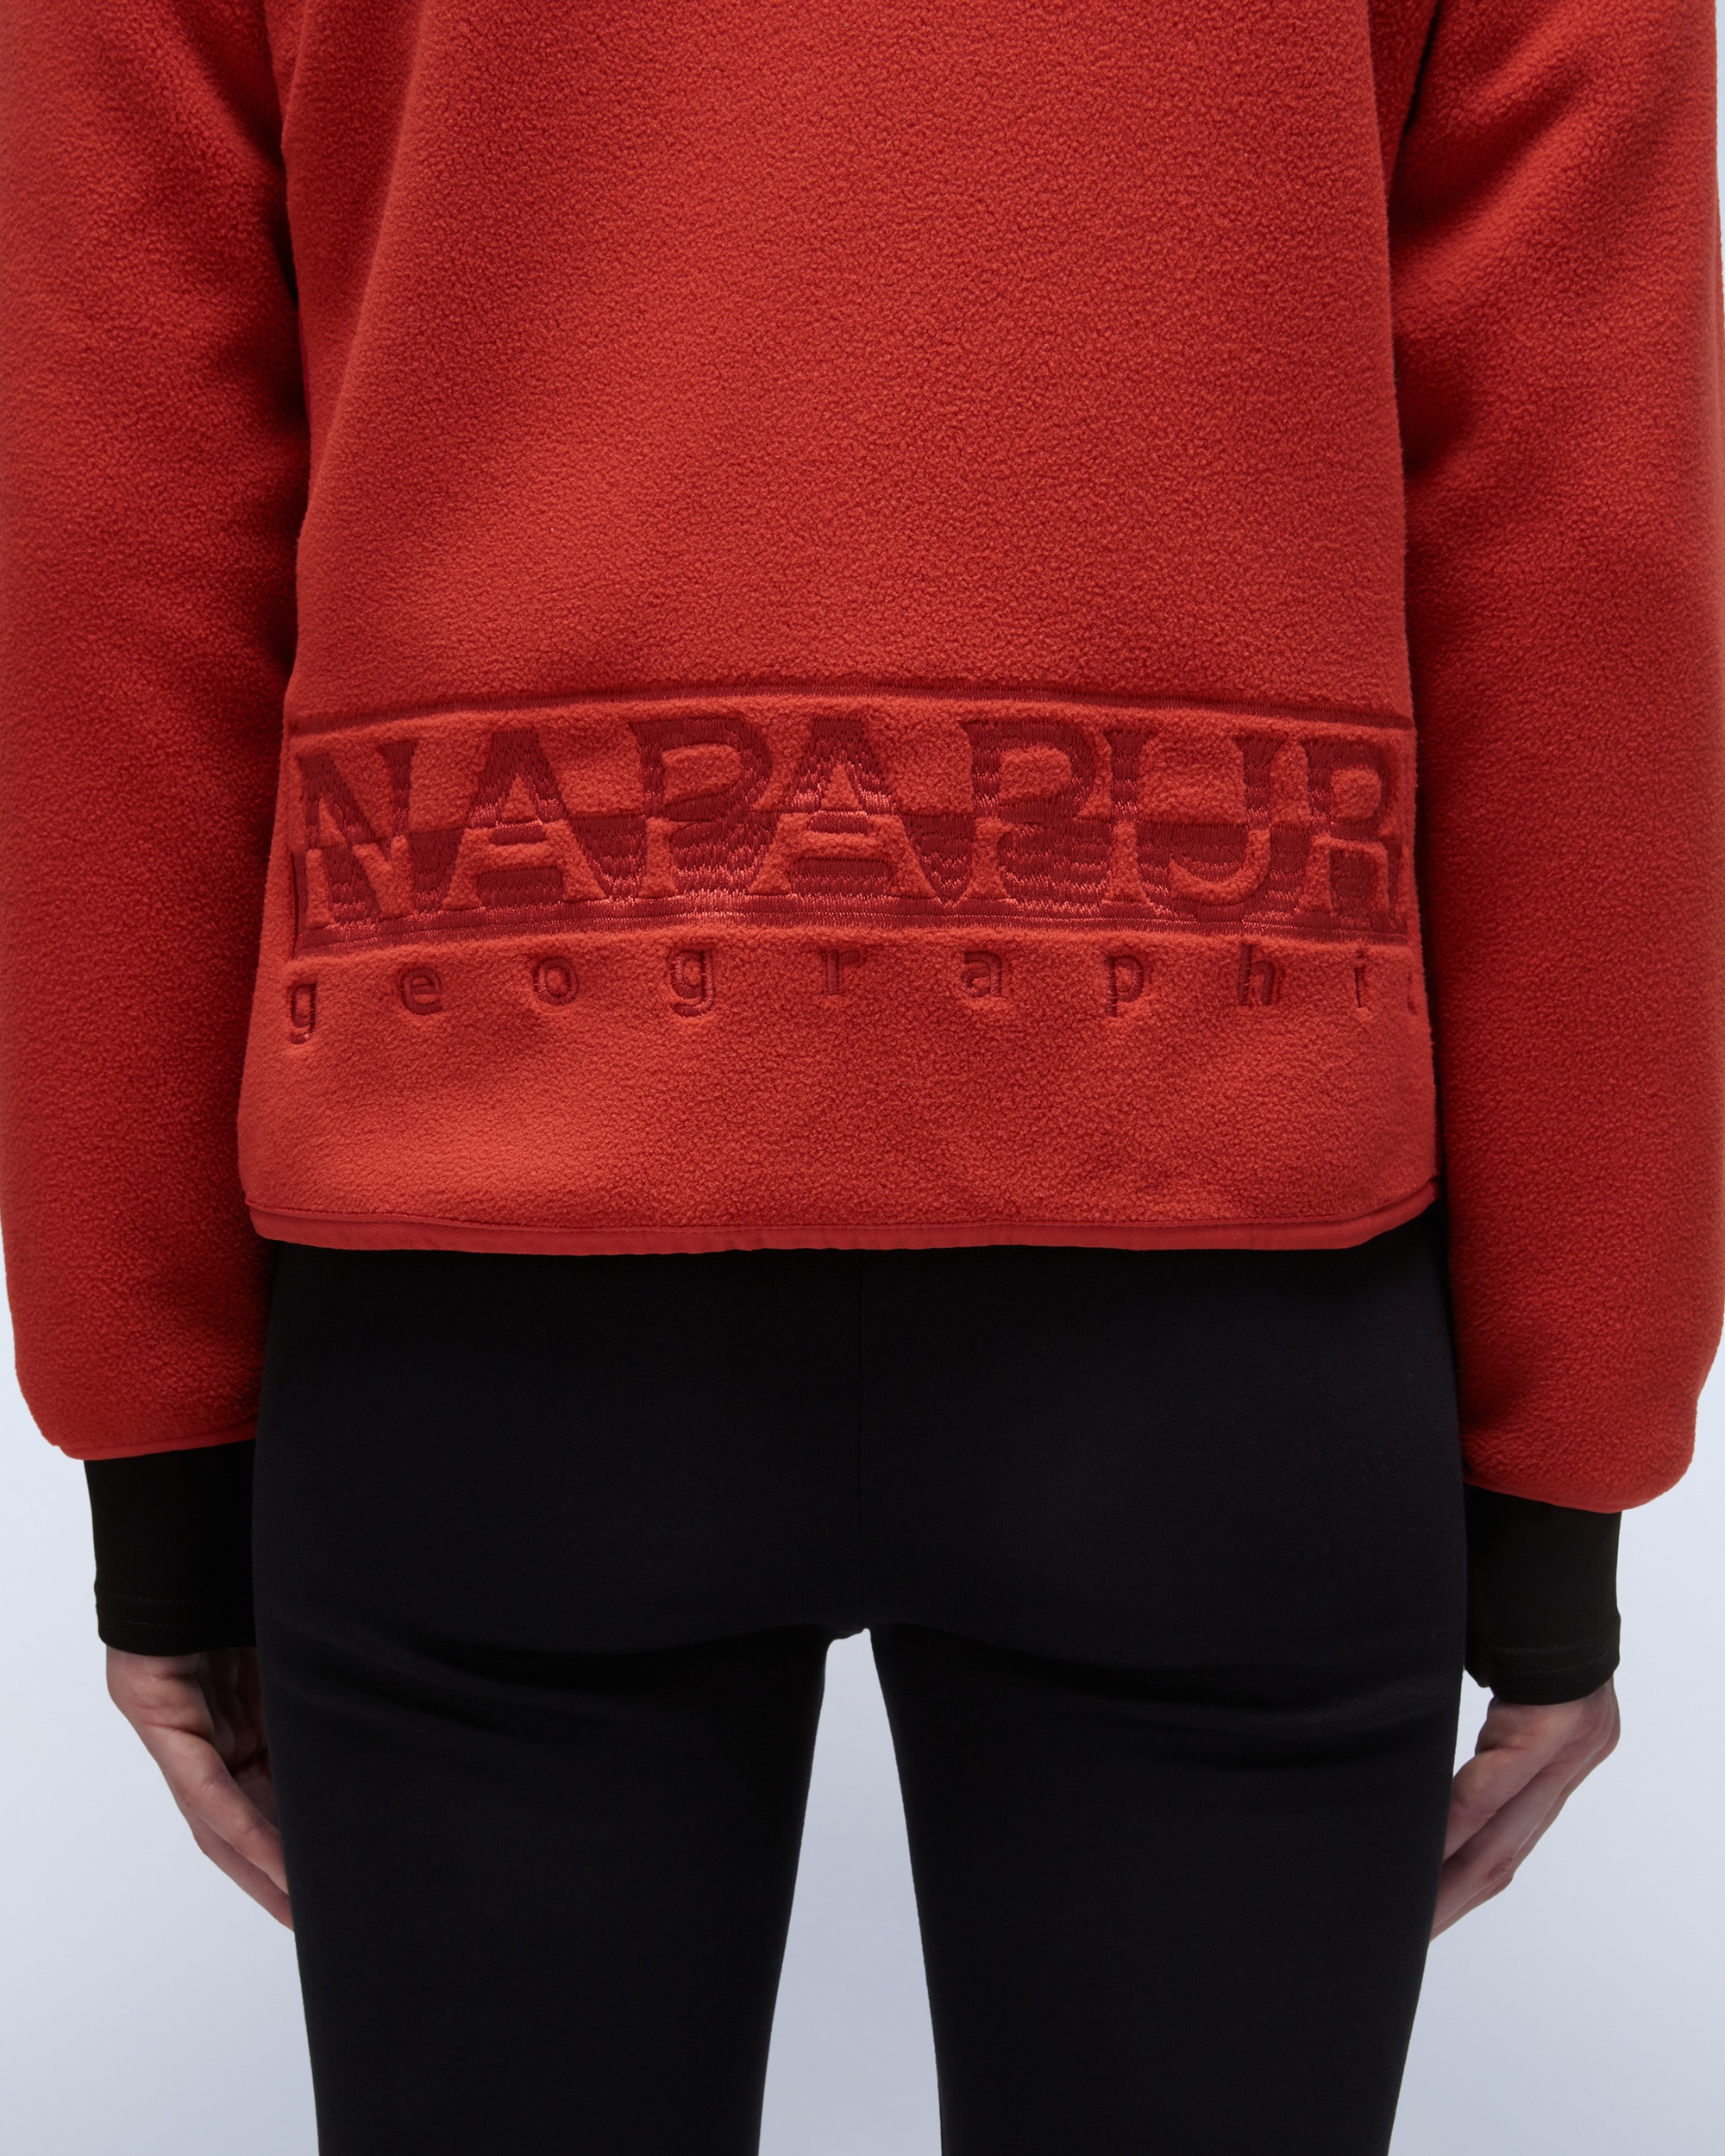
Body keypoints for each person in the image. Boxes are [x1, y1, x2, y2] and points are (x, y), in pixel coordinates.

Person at [0, 2, 1717, 2151]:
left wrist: (159, 1439)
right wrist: (1563, 1458)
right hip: (1224, 1304)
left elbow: (124, 519)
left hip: (488, 1297)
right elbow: (1578, 532)